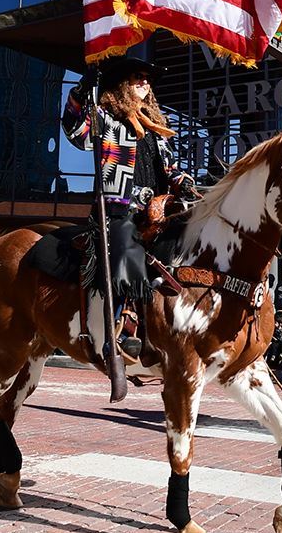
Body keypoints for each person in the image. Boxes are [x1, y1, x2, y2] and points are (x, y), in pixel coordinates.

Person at [61, 51, 197, 359]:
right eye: (138, 78)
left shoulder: (156, 130)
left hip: (158, 211)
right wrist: (81, 92)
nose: (145, 83)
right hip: (118, 209)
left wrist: (183, 181)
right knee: (126, 252)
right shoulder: (106, 120)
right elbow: (75, 131)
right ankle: (115, 333)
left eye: (147, 80)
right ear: (122, 85)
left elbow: (171, 169)